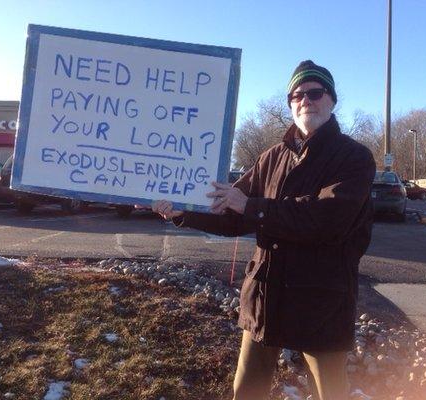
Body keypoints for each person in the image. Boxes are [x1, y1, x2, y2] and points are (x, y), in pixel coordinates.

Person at [152, 60, 375, 400]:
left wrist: (252, 207)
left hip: (323, 298)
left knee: (330, 392)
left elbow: (327, 218)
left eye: (315, 93)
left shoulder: (354, 157)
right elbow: (232, 212)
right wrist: (185, 211)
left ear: (332, 100)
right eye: (296, 95)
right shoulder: (271, 157)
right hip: (265, 296)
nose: (305, 101)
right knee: (247, 390)